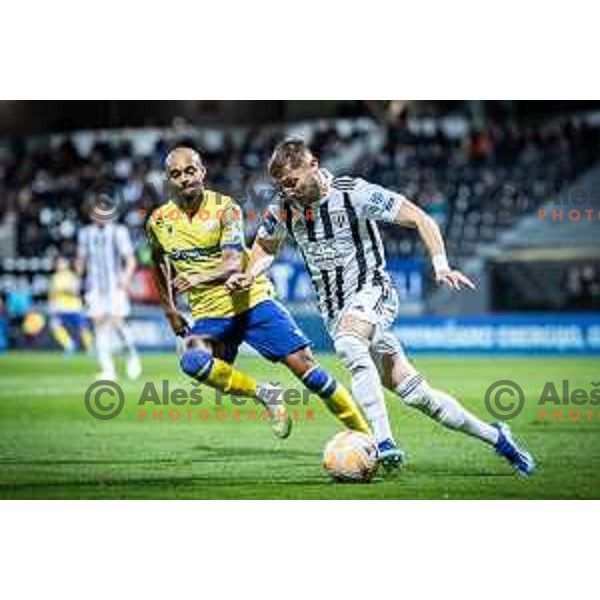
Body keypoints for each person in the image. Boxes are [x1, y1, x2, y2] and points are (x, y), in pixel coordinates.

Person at [227, 138, 535, 476]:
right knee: (418, 395)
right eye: (281, 185)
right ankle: (498, 438)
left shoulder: (353, 193)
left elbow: (419, 218)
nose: (288, 190)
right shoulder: (284, 208)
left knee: (348, 343)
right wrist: (248, 274)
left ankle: (384, 443)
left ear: (313, 165)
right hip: (335, 310)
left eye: (292, 181)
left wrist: (441, 265)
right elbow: (265, 249)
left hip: (374, 291)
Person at [145, 145, 369, 440]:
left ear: (202, 172)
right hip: (210, 315)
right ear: (168, 180)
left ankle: (368, 437)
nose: (185, 178)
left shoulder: (226, 209)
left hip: (252, 302)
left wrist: (199, 275)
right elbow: (158, 262)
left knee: (305, 368)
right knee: (192, 361)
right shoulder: (158, 222)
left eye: (190, 170)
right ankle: (267, 394)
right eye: (176, 174)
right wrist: (170, 310)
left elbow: (235, 262)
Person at [76, 208, 142, 380]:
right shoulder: (85, 234)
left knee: (118, 322)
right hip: (95, 288)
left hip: (115, 287)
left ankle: (132, 357)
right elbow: (81, 260)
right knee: (99, 325)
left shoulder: (118, 232)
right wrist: (78, 278)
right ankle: (108, 369)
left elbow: (130, 259)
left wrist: (126, 278)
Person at [48, 256, 92, 355]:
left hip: (74, 307)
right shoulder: (55, 277)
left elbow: (75, 291)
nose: (60, 265)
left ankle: (90, 346)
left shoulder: (71, 276)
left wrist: (63, 290)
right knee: (54, 326)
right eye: (58, 263)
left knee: (82, 327)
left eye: (62, 263)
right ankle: (69, 345)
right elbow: (52, 294)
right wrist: (52, 304)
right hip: (60, 308)